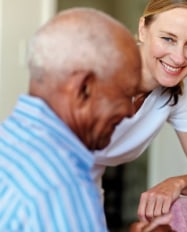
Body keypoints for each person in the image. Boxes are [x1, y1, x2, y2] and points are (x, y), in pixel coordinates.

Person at [0, 7, 141, 232]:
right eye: (126, 94)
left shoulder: (8, 143)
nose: (130, 111)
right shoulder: (61, 188)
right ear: (83, 88)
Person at [92, 0, 187, 223]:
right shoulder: (99, 71)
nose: (178, 57)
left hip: (87, 192)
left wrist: (178, 183)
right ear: (143, 29)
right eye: (168, 39)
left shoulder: (181, 91)